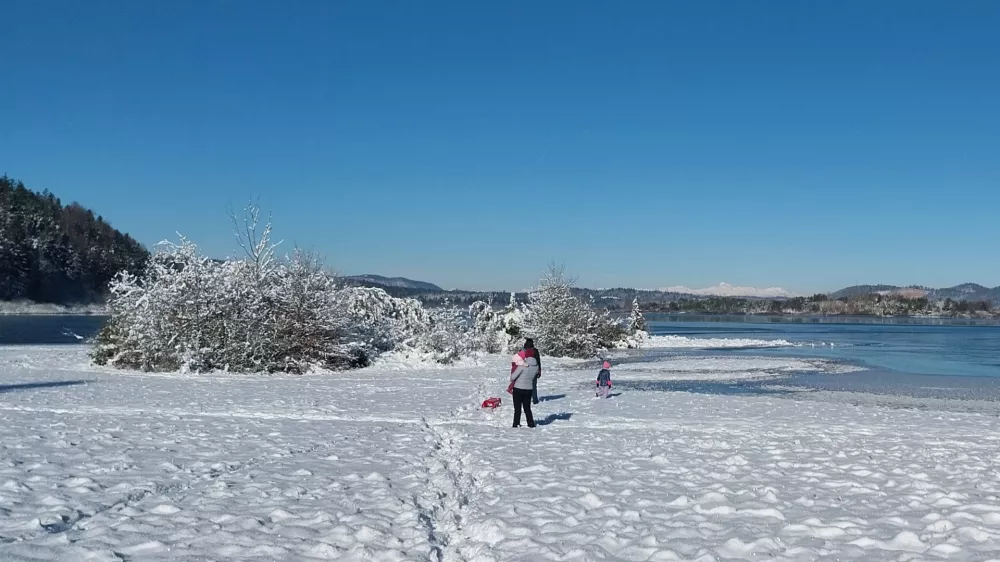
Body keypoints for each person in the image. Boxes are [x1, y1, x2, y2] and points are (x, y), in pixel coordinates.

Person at [510, 350, 539, 428]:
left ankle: (516, 424)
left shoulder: (522, 366)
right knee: (527, 408)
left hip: (518, 389)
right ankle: (531, 424)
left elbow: (512, 377)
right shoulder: (536, 367)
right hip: (529, 389)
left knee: (517, 409)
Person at [523, 338, 542, 404]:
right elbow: (538, 361)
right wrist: (539, 371)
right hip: (534, 370)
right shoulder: (535, 351)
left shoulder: (523, 350)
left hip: (525, 370)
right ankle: (535, 400)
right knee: (534, 386)